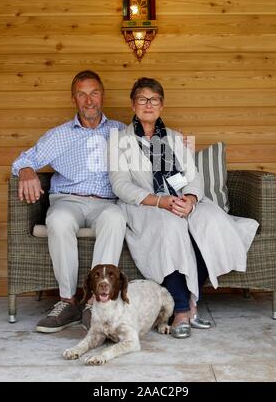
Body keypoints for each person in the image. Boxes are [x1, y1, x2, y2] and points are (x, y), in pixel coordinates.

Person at [108, 77, 259, 339]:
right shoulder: (120, 140)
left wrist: (189, 199)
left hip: (180, 200)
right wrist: (159, 201)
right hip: (145, 204)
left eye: (154, 99)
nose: (148, 104)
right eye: (142, 99)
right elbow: (120, 184)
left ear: (161, 106)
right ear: (133, 105)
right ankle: (180, 309)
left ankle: (191, 301)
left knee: (211, 219)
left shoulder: (175, 138)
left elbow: (194, 177)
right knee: (170, 225)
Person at [12, 70, 126, 333]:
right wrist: (27, 171)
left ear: (103, 96)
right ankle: (67, 301)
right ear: (73, 99)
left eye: (94, 93)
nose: (89, 100)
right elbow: (24, 160)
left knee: (116, 218)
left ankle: (97, 304)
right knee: (58, 219)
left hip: (106, 203)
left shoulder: (120, 131)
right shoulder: (60, 135)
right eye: (82, 94)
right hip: (68, 200)